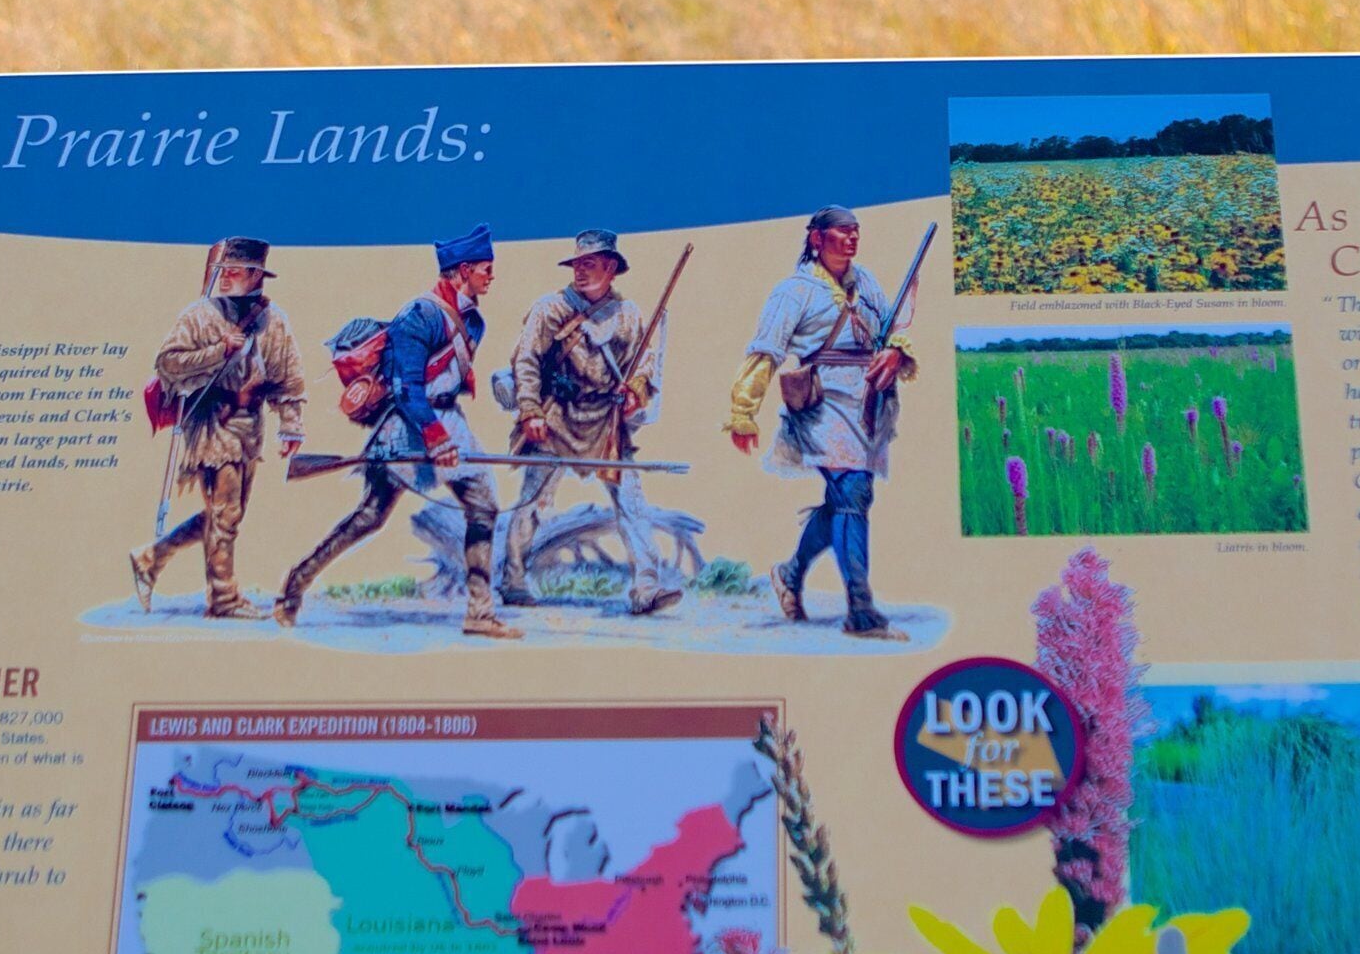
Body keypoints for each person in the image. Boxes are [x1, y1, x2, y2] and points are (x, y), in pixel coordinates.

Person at [278, 224, 520, 640]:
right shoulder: (419, 316)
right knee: (370, 517)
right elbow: (407, 388)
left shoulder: (473, 321)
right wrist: (434, 436)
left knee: (483, 505)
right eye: (485, 268)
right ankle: (294, 586)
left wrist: (448, 432)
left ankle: (480, 611)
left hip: (449, 420)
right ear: (462, 271)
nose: (491, 276)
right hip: (408, 424)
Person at [725, 205, 911, 641]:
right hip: (820, 402)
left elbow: (890, 327)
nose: (851, 239)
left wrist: (896, 350)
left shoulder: (866, 282)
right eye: (842, 232)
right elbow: (766, 350)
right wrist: (742, 411)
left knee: (847, 500)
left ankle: (790, 574)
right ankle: (861, 611)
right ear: (816, 239)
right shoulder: (794, 291)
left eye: (855, 232)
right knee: (852, 491)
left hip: (867, 403)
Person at [499, 230, 681, 617]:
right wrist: (530, 410)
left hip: (606, 420)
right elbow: (526, 361)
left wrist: (635, 391)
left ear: (611, 268)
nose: (581, 272)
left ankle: (647, 587)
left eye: (590, 265)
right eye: (577, 265)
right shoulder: (549, 309)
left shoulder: (629, 314)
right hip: (557, 416)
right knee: (534, 500)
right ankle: (512, 580)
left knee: (631, 501)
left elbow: (643, 364)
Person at [134, 239, 304, 619]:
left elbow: (287, 378)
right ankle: (223, 598)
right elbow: (168, 363)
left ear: (256, 275)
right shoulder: (199, 315)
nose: (225, 277)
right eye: (222, 270)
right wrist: (218, 351)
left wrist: (291, 426)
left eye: (235, 270)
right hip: (212, 422)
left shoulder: (274, 320)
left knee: (226, 513)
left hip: (250, 427)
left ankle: (151, 557)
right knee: (225, 514)